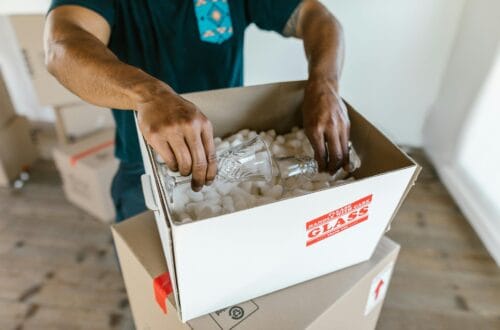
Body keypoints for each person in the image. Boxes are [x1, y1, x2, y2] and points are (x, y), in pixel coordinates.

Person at [45, 0, 350, 222]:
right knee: (155, 287)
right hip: (145, 165)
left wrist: (324, 85)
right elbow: (62, 47)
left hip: (230, 151)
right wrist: (150, 95)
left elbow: (315, 15)